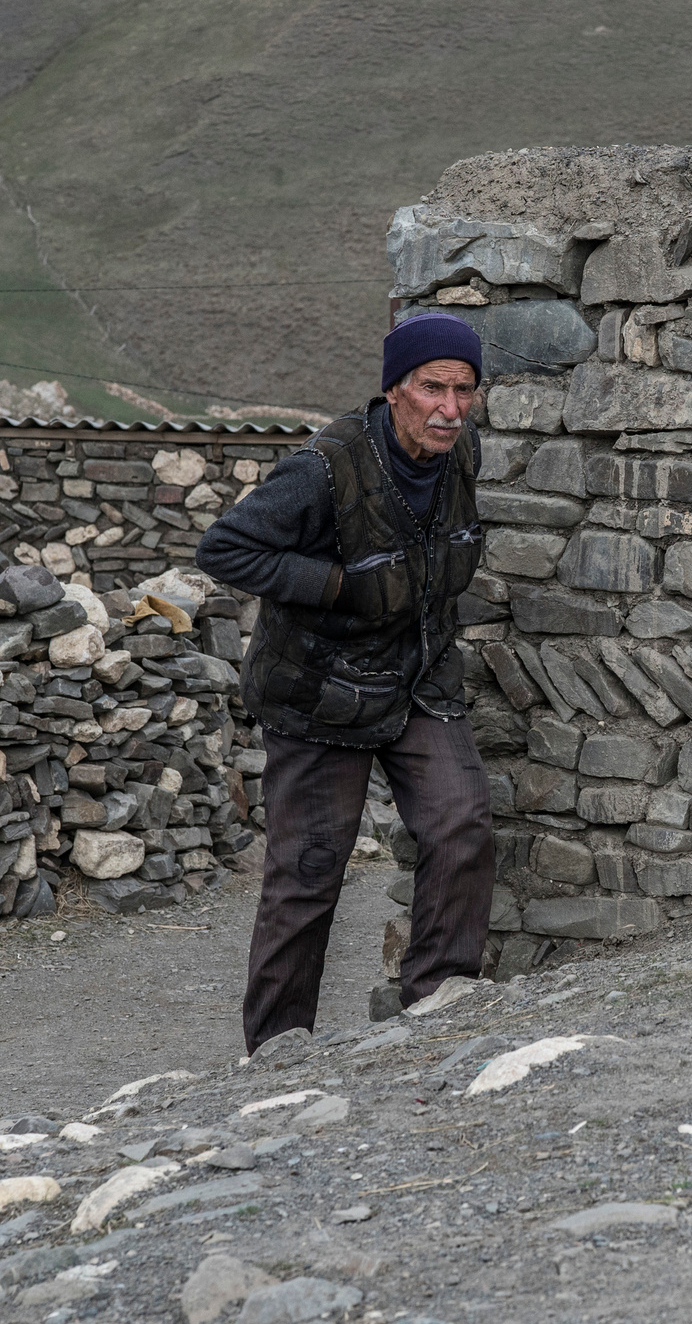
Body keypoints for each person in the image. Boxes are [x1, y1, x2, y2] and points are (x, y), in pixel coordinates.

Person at [195, 310, 493, 1052]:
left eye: (464, 390)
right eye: (433, 388)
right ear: (395, 389)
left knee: (462, 824)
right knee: (308, 875)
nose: (450, 409)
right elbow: (225, 549)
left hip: (418, 677)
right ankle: (276, 1054)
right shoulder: (325, 468)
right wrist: (333, 585)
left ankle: (437, 1005)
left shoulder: (461, 455)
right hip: (318, 690)